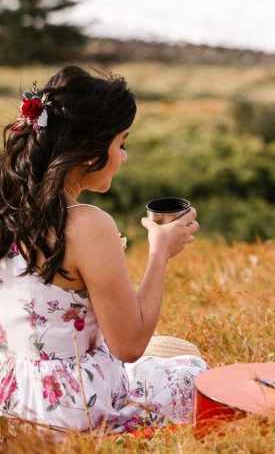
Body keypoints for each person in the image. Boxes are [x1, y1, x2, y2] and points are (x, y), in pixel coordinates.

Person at [0, 66, 206, 434]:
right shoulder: (87, 225)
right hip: (73, 410)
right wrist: (159, 252)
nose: (123, 157)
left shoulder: (8, 208)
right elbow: (130, 345)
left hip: (14, 400)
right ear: (89, 151)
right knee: (194, 374)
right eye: (120, 144)